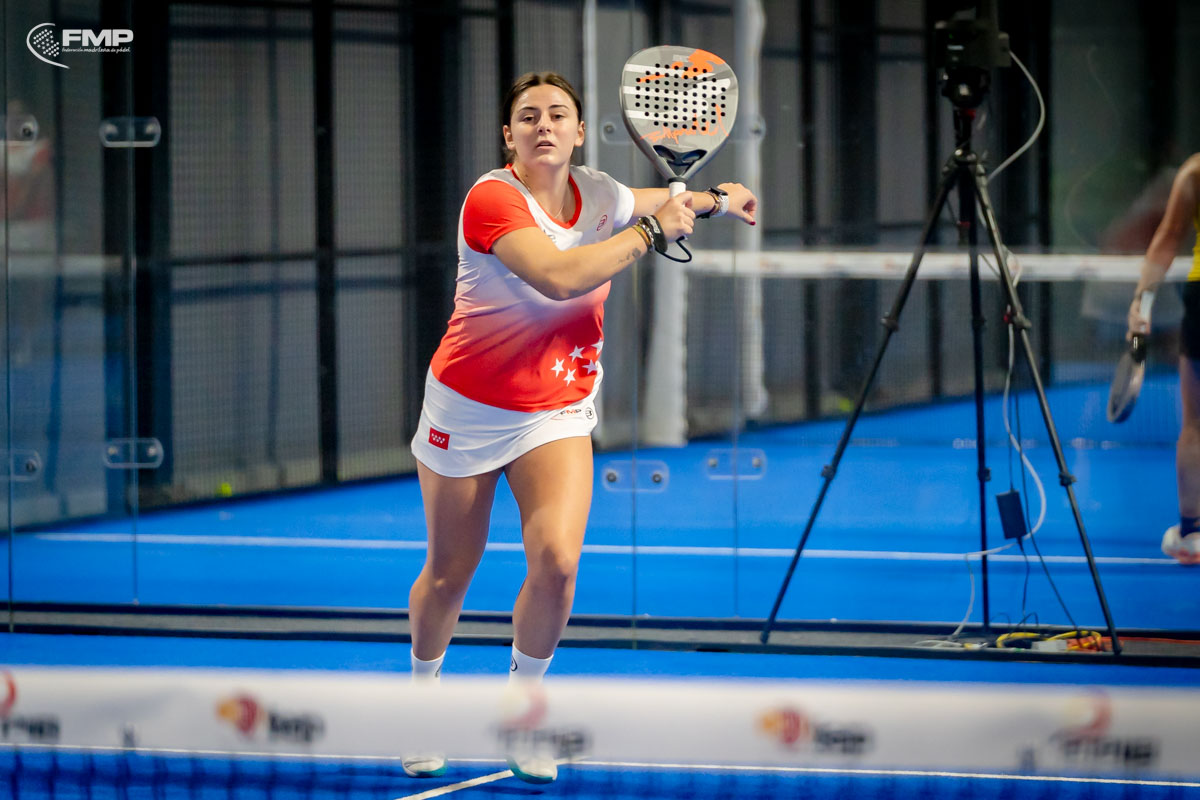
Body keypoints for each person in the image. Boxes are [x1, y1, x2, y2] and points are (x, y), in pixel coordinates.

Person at [402, 71, 757, 783]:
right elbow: (560, 277)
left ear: (578, 131)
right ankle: (421, 699)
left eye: (558, 114)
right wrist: (651, 233)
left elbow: (656, 199)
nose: (544, 125)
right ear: (509, 135)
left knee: (559, 564)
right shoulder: (492, 200)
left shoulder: (601, 193)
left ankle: (524, 710)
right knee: (449, 574)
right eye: (529, 115)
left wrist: (719, 198)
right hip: (466, 408)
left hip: (557, 407)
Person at [1127, 153, 1200, 565]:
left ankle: (1191, 535)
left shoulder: (1195, 171)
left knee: (1195, 426)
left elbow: (1168, 238)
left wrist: (1142, 302)